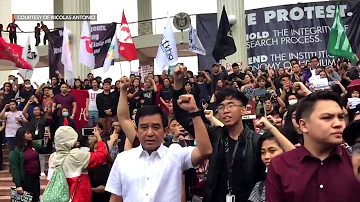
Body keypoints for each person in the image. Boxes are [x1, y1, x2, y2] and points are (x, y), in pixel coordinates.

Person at [105, 76, 213, 202]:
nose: (150, 133)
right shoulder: (123, 159)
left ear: (165, 130)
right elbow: (116, 198)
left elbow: (205, 150)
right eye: (144, 127)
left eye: (156, 127)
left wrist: (194, 112)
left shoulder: (176, 155)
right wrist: (123, 91)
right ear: (136, 130)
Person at [172, 66, 265, 202]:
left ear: (243, 110)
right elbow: (185, 119)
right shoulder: (215, 135)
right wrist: (178, 85)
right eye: (221, 107)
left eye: (231, 105)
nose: (225, 110)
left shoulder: (256, 141)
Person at [266, 91, 360, 202]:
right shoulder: (280, 165)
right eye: (327, 118)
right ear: (304, 125)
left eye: (341, 117)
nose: (338, 124)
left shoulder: (355, 161)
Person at [47, 126, 108, 202]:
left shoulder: (52, 157)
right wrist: (98, 138)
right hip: (77, 198)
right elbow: (101, 156)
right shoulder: (77, 156)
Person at [9, 125, 52, 202]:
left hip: (35, 178)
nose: (30, 134)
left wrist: (48, 140)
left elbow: (46, 150)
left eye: (30, 133)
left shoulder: (33, 145)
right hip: (25, 179)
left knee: (35, 199)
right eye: (28, 133)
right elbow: (14, 168)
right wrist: (18, 185)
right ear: (22, 135)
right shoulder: (15, 151)